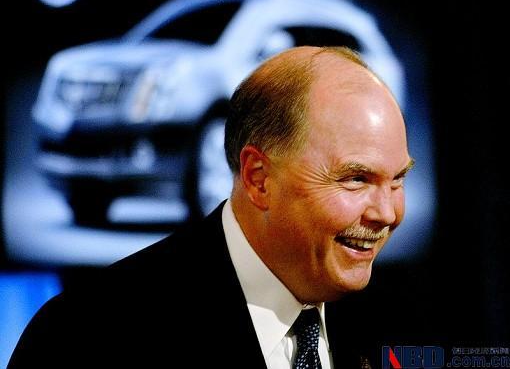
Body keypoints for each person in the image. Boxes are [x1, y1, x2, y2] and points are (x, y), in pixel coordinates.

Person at [8, 46, 414, 368]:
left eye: (397, 180)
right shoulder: (86, 338)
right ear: (258, 178)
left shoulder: (407, 327)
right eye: (356, 179)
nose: (387, 213)